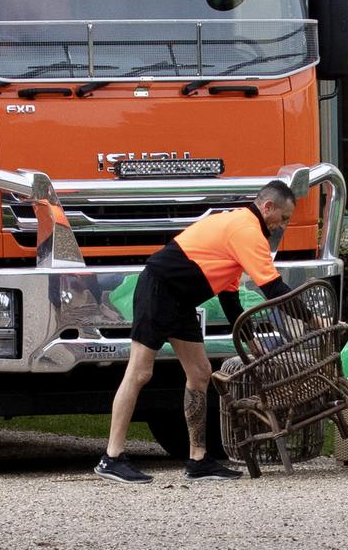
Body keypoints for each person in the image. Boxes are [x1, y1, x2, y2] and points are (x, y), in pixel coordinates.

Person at [96, 181, 297, 484]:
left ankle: (198, 459)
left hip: (181, 301)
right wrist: (312, 318)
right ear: (267, 207)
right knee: (139, 372)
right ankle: (111, 458)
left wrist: (251, 339)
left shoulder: (240, 229)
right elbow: (274, 289)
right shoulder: (247, 231)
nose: (283, 226)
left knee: (201, 372)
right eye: (283, 218)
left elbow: (231, 298)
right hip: (159, 288)